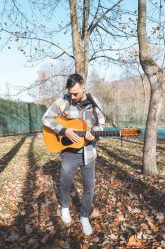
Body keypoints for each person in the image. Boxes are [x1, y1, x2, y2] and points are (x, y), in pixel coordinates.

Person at [42, 74, 105, 236]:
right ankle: (64, 208)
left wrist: (94, 133)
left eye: (76, 93)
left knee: (89, 188)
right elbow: (46, 118)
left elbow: (101, 125)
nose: (73, 96)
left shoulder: (94, 103)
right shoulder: (63, 100)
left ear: (84, 87)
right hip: (69, 152)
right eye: (70, 93)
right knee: (65, 183)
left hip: (89, 152)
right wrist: (64, 130)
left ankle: (84, 216)